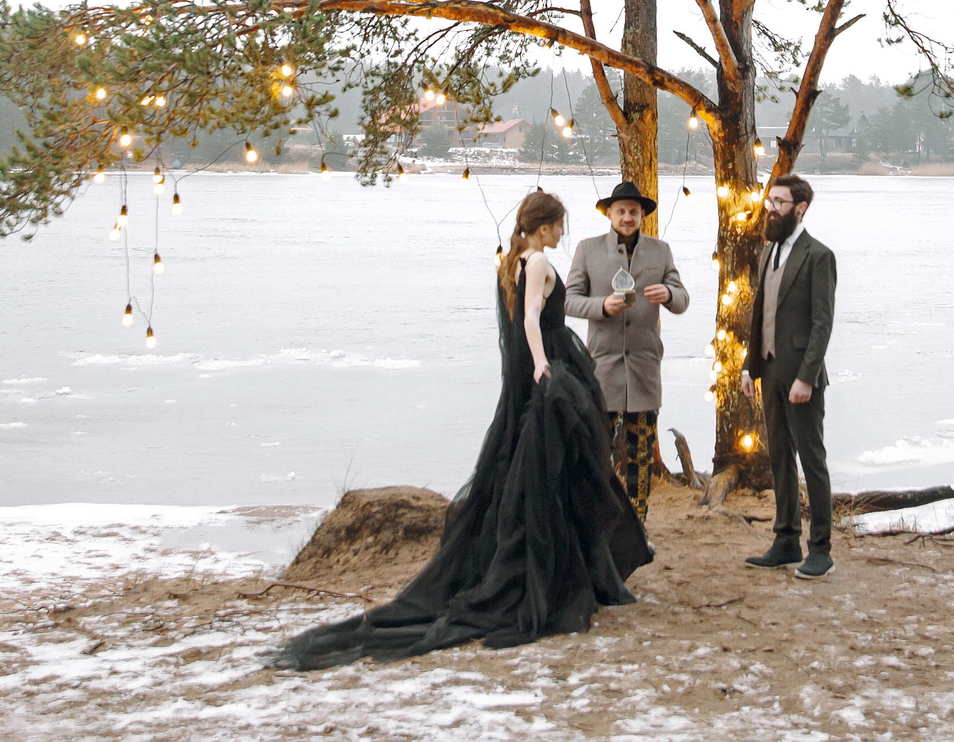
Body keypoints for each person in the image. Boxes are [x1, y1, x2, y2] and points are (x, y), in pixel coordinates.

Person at [271, 189, 650, 668]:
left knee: (549, 473)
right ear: (542, 225)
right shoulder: (535, 263)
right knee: (563, 472)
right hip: (549, 368)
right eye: (558, 224)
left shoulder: (512, 262)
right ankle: (562, 576)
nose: (562, 231)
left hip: (534, 373)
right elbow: (531, 320)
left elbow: (520, 319)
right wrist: (541, 366)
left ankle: (584, 571)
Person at [563, 179, 690, 519]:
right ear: (609, 214)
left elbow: (682, 298)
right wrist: (601, 306)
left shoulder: (660, 251)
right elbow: (568, 300)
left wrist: (668, 293)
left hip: (645, 367)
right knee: (595, 450)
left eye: (633, 211)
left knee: (641, 454)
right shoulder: (588, 250)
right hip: (601, 367)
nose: (627, 217)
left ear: (642, 215)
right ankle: (594, 519)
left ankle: (638, 522)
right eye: (621, 211)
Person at [744, 172, 836, 580]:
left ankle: (821, 549)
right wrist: (750, 365)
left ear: (800, 208)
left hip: (801, 378)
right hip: (768, 370)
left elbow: (822, 324)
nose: (771, 209)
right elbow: (759, 312)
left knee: (811, 459)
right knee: (779, 457)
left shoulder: (819, 256)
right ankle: (785, 541)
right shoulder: (768, 252)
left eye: (779, 203)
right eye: (770, 201)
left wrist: (807, 377)